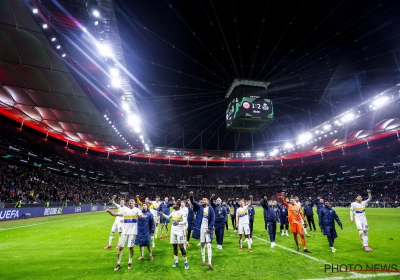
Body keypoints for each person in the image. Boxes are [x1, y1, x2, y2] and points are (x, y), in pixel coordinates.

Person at [106, 198, 143, 271]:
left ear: (134, 203)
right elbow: (115, 214)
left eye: (132, 201)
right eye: (129, 202)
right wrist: (109, 211)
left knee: (131, 248)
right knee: (120, 248)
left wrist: (142, 216)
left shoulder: (137, 210)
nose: (130, 202)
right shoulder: (124, 210)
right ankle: (118, 264)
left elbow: (140, 214)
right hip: (124, 232)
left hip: (132, 233)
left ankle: (130, 262)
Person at [189, 191, 215, 270]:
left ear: (207, 202)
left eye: (205, 200)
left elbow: (213, 219)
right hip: (201, 229)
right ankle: (203, 260)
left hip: (208, 229)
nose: (203, 201)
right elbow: (193, 202)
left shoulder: (210, 209)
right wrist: (191, 196)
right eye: (202, 200)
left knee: (209, 245)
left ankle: (210, 263)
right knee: (203, 245)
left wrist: (209, 228)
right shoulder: (199, 207)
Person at [160, 200, 189, 269]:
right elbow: (168, 217)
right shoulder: (173, 212)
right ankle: (176, 262)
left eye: (174, 205)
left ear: (178, 206)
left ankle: (186, 262)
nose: (173, 205)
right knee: (175, 247)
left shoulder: (182, 212)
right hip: (173, 232)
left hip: (180, 232)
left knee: (181, 247)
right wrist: (162, 214)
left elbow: (185, 221)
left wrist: (178, 223)